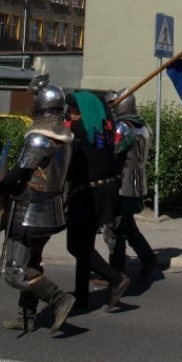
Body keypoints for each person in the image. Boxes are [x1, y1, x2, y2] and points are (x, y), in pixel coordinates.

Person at [0, 75, 75, 333]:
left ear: (40, 110)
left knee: (15, 270)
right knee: (33, 262)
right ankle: (25, 316)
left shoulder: (38, 139)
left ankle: (59, 299)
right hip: (50, 212)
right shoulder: (66, 141)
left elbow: (20, 174)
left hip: (28, 212)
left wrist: (3, 185)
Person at [65, 91, 130, 311]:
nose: (70, 114)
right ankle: (81, 295)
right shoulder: (105, 128)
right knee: (86, 245)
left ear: (81, 111)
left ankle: (116, 278)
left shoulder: (77, 131)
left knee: (76, 245)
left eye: (73, 110)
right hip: (107, 190)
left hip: (87, 193)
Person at [105, 89, 158, 276]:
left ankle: (116, 274)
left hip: (123, 183)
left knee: (115, 230)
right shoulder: (144, 126)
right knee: (128, 226)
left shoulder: (122, 127)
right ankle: (149, 258)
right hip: (138, 182)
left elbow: (114, 153)